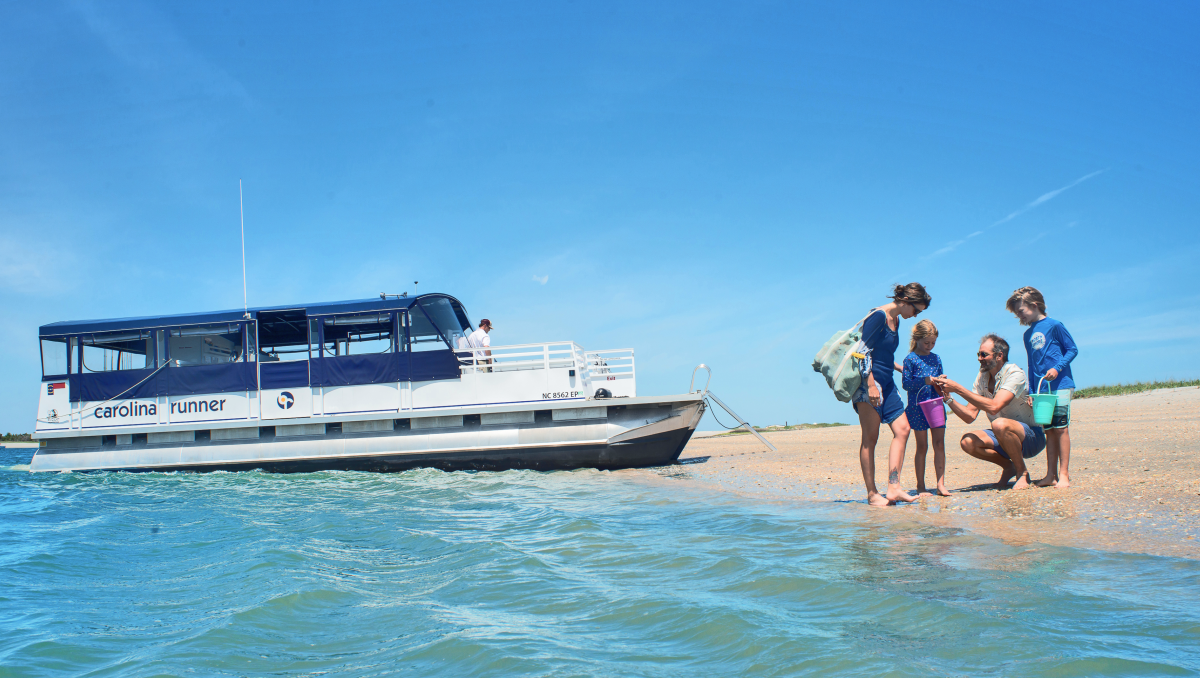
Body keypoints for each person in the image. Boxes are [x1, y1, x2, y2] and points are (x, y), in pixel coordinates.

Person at [851, 282, 931, 506]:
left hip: (887, 383)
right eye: (916, 310)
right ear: (906, 302)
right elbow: (862, 352)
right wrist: (871, 386)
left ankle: (894, 487)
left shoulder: (895, 319)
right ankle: (872, 494)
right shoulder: (877, 316)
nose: (915, 316)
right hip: (869, 384)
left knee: (903, 429)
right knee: (870, 438)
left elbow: (882, 354)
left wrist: (898, 368)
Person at [932, 335, 1045, 490]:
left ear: (999, 356)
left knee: (999, 424)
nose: (979, 358)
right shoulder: (982, 378)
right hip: (1002, 434)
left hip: (1032, 437)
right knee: (968, 442)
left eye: (984, 354)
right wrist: (948, 398)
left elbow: (994, 407)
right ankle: (1009, 467)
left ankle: (1022, 472)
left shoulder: (1014, 373)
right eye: (978, 354)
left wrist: (959, 388)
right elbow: (969, 416)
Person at [1007, 286, 1079, 488]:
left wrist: (1058, 368)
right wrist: (1031, 391)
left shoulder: (1055, 325)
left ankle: (1063, 475)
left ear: (1034, 305)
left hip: (1061, 385)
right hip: (1041, 390)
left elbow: (1072, 350)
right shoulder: (1027, 334)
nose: (1019, 315)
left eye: (1020, 310)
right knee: (1049, 431)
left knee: (1061, 428)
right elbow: (1031, 363)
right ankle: (1051, 475)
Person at [901, 320, 949, 497]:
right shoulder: (910, 359)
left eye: (933, 343)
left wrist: (941, 379)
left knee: (939, 444)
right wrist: (924, 381)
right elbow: (906, 384)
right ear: (917, 339)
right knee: (922, 446)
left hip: (935, 404)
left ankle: (940, 484)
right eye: (926, 342)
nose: (930, 346)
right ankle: (921, 486)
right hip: (917, 408)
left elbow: (940, 382)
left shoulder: (936, 358)